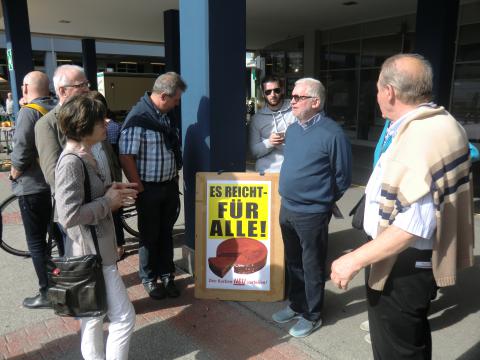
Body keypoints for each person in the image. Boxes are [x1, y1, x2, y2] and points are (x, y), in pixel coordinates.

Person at [331, 54, 474, 359]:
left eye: (378, 88)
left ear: (390, 92)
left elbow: (412, 226)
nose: (377, 94)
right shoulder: (441, 123)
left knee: (397, 348)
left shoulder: (420, 137)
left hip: (402, 263)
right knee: (411, 340)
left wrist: (352, 260)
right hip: (411, 260)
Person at [55, 93, 137, 360]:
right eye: (100, 119)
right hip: (92, 255)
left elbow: (86, 196)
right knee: (123, 318)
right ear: (83, 126)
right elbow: (68, 215)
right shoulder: (71, 162)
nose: (107, 122)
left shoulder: (84, 155)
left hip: (94, 252)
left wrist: (110, 189)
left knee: (92, 319)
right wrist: (107, 201)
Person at [272, 78, 352, 338]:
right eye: (292, 96)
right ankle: (297, 305)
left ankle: (312, 314)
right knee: (293, 261)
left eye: (298, 97)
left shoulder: (333, 134)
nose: (291, 101)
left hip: (312, 213)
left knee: (312, 265)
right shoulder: (294, 130)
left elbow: (343, 178)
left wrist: (321, 200)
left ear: (315, 102)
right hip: (288, 208)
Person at [119, 72, 186, 300]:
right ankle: (149, 278)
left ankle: (167, 274)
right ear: (164, 96)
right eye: (176, 99)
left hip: (167, 186)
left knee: (165, 233)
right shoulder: (139, 118)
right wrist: (138, 187)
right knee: (149, 236)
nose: (178, 103)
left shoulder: (163, 115)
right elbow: (126, 155)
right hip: (148, 189)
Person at [34, 65, 121, 237]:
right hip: (80, 211)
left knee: (108, 255)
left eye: (87, 84)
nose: (87, 89)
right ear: (62, 91)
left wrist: (113, 183)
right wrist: (100, 199)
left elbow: (107, 154)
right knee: (87, 260)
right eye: (80, 85)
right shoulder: (47, 124)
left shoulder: (92, 115)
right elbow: (53, 174)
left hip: (106, 200)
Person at [9, 71, 57, 309]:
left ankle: (47, 292)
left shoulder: (28, 113)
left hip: (33, 186)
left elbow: (21, 152)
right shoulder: (56, 107)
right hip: (55, 184)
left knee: (37, 242)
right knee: (57, 234)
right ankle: (67, 279)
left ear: (26, 87)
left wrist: (13, 174)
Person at [249, 76, 296, 172]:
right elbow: (254, 152)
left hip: (293, 169)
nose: (273, 95)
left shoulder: (295, 110)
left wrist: (289, 136)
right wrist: (270, 142)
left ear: (282, 90)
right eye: (268, 92)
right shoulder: (257, 118)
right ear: (263, 94)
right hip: (266, 171)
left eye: (276, 90)